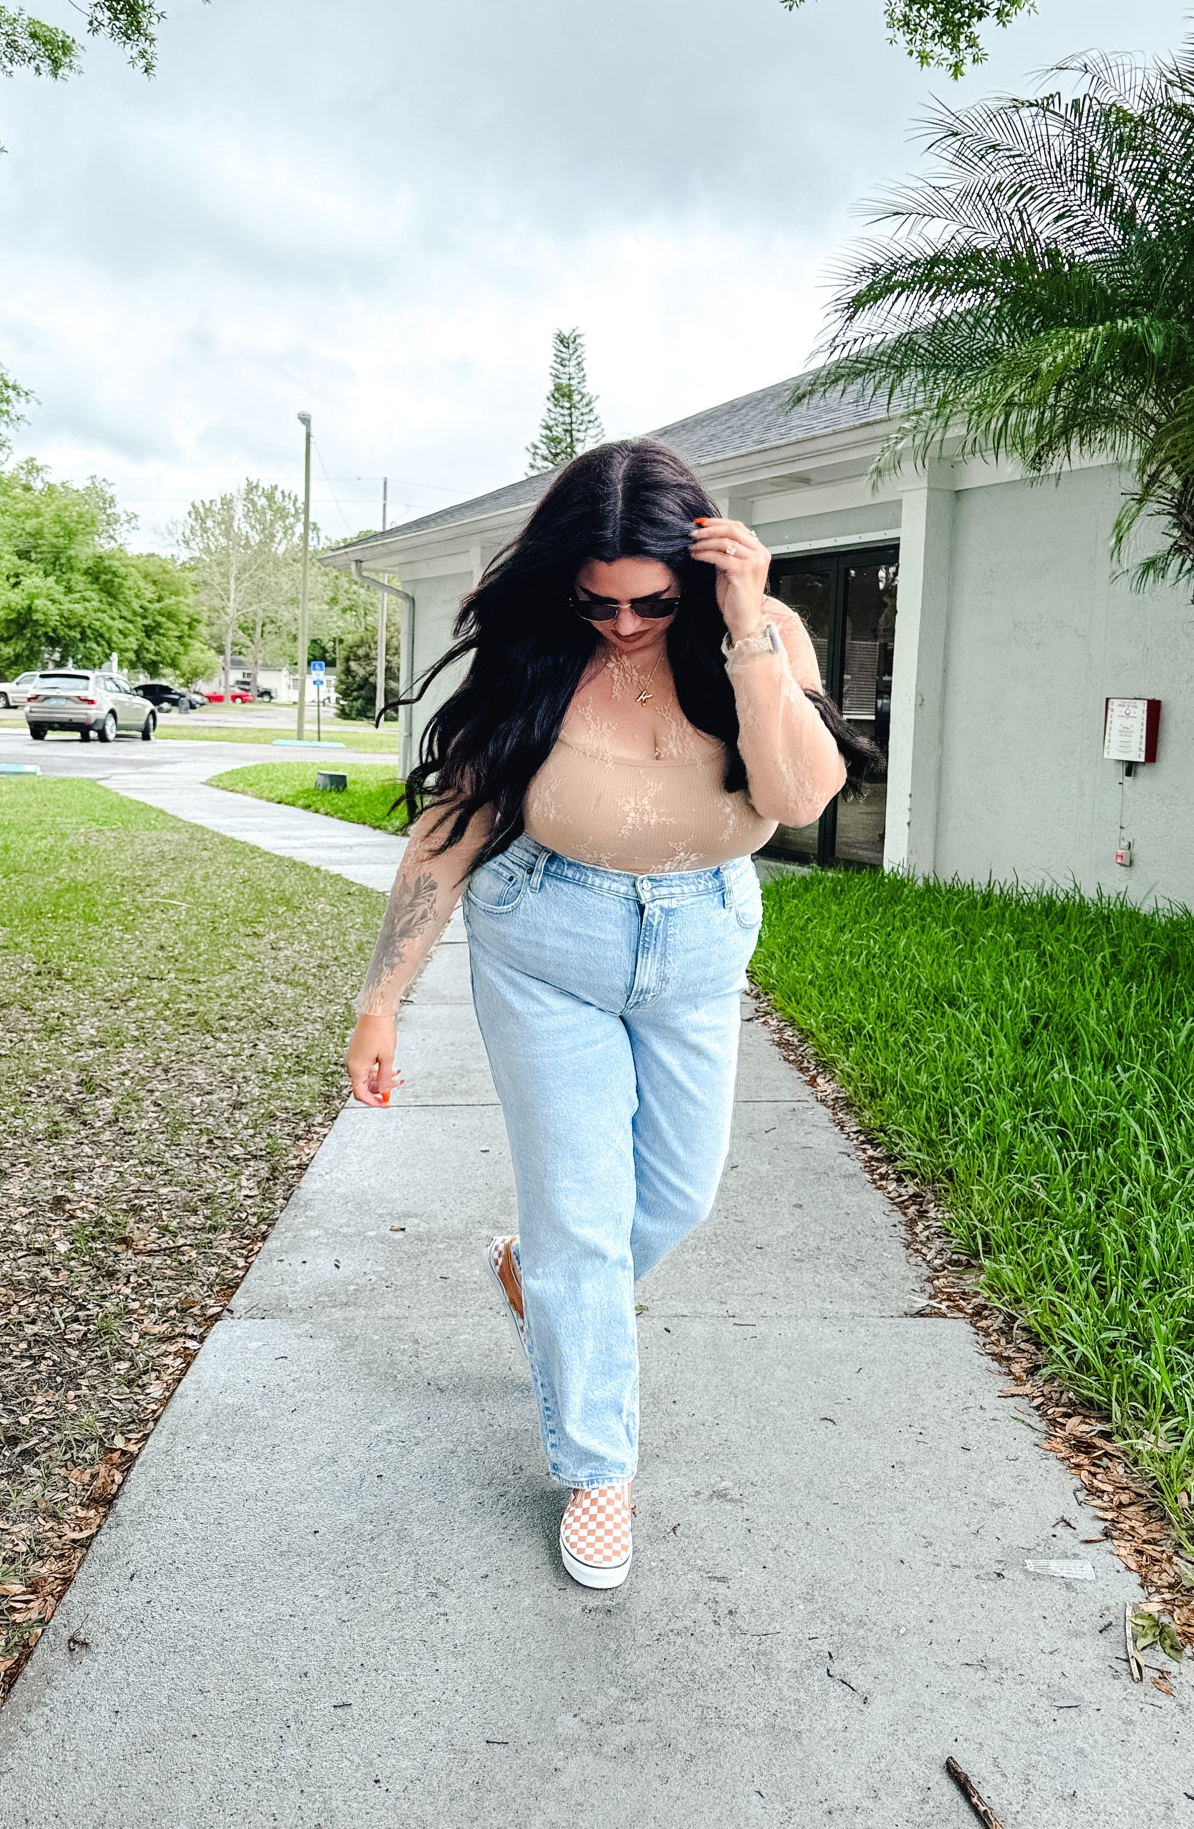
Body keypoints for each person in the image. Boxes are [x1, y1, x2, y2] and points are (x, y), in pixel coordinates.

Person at [345, 438, 870, 1589]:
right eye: (599, 600)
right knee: (585, 1216)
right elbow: (453, 826)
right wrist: (383, 998)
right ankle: (597, 1466)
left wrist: (745, 624)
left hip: (697, 944)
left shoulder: (763, 632)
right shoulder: (543, 647)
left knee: (677, 1189)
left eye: (649, 600)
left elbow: (795, 797)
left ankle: (536, 1277)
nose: (624, 623)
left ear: (698, 571)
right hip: (548, 942)